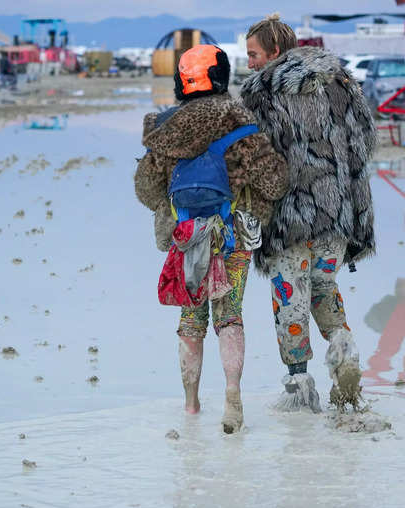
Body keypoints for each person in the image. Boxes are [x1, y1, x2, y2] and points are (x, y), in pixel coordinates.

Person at [134, 45, 289, 433]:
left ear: (181, 81)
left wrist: (175, 216)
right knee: (229, 315)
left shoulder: (164, 126)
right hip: (232, 236)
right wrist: (253, 206)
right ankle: (233, 397)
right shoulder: (238, 120)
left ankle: (190, 406)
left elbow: (145, 188)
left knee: (190, 320)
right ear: (220, 76)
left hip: (184, 238)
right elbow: (274, 180)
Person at [240, 15, 377, 411]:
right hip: (337, 214)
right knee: (324, 289)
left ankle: (300, 386)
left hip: (289, 218)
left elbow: (254, 162)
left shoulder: (262, 93)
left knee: (290, 299)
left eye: (253, 54)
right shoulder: (341, 83)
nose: (249, 63)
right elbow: (363, 145)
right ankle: (344, 349)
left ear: (275, 52)